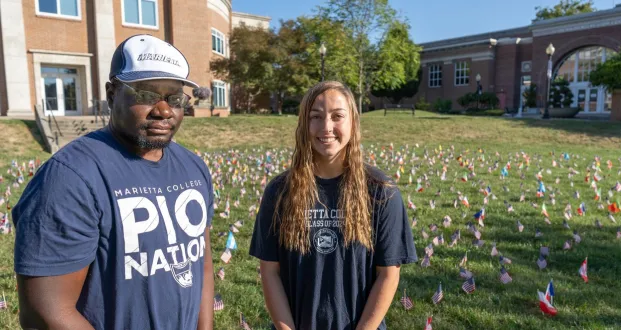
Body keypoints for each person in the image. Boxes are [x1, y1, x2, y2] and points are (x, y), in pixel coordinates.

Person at [12, 34, 215, 329]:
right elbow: (45, 311)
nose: (164, 110)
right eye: (145, 94)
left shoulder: (193, 167)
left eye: (174, 97)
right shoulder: (69, 177)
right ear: (111, 94)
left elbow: (202, 264)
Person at [249, 81, 417, 330]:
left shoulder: (382, 191)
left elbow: (388, 274)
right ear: (304, 124)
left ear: (353, 123)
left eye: (337, 116)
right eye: (315, 116)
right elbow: (270, 271)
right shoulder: (279, 191)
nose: (326, 127)